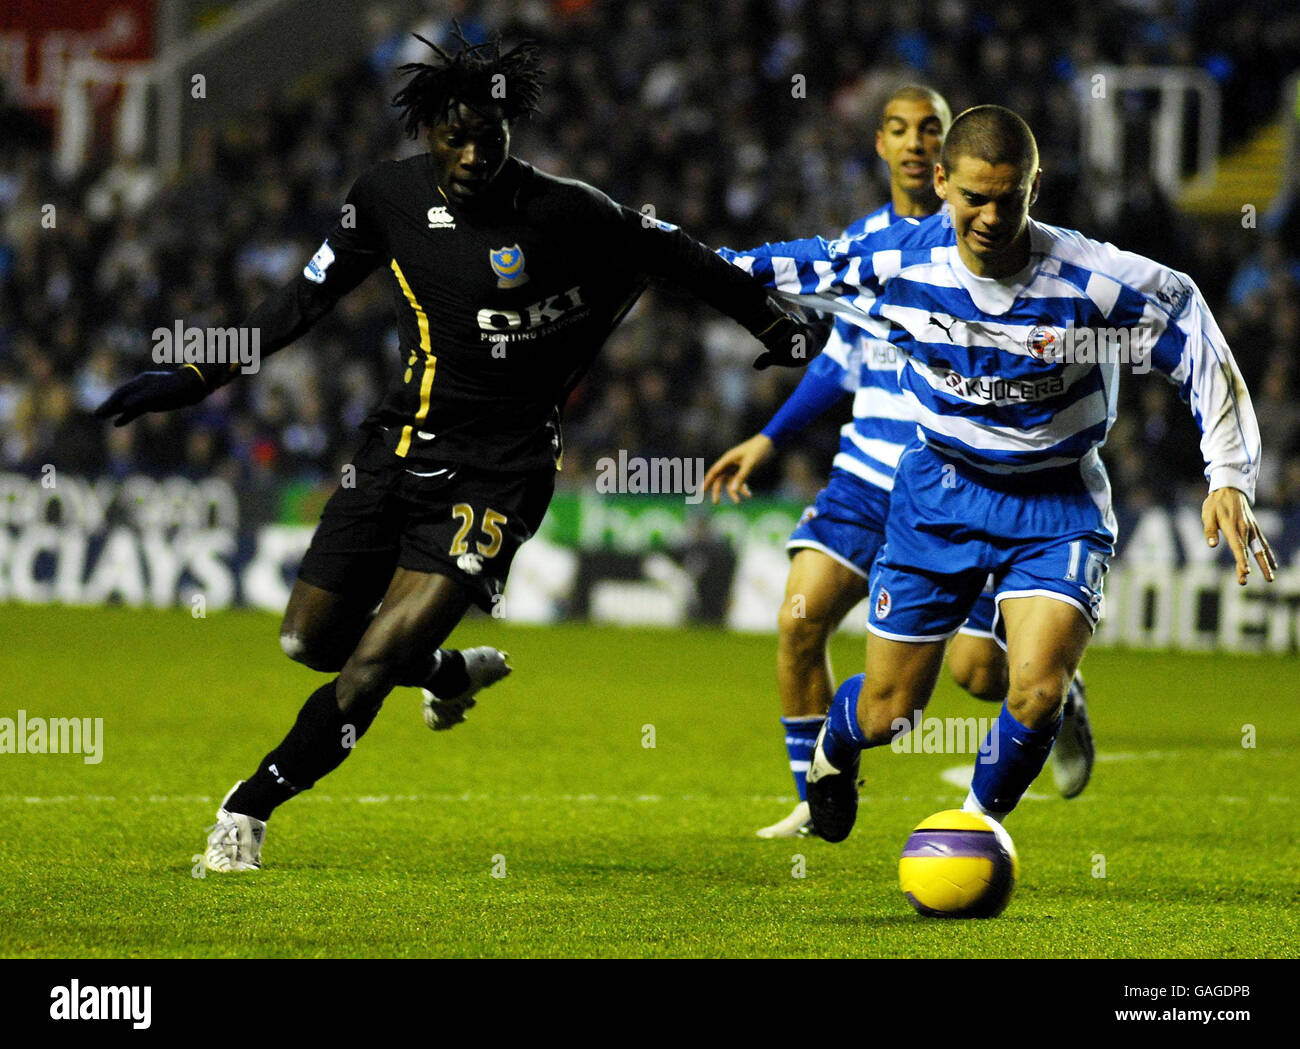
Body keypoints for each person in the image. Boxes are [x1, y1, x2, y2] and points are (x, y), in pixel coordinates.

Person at [95, 31, 815, 871]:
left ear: (512, 130)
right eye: (455, 137)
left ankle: (247, 809)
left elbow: (679, 252)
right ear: (427, 132)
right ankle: (441, 672)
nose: (474, 154)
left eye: (490, 136)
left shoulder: (568, 210)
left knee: (367, 669)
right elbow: (300, 301)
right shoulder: (386, 200)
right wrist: (193, 374)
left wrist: (772, 324)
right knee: (310, 644)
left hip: (499, 473)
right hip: (397, 448)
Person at [717, 105, 1276, 844]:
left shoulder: (1095, 281)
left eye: (1006, 199)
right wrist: (645, 248)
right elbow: (763, 267)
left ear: (1033, 188)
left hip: (1058, 502)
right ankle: (834, 748)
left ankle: (973, 828)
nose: (987, 216)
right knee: (891, 710)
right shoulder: (894, 265)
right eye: (973, 197)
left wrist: (1228, 474)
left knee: (1036, 685)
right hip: (939, 495)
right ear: (942, 181)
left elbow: (1195, 330)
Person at [703, 88, 1093, 839]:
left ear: (949, 159)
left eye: (930, 132)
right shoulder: (866, 248)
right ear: (881, 147)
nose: (915, 145)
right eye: (899, 131)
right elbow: (837, 361)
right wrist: (770, 438)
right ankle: (817, 797)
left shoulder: (1006, 248)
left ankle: (1060, 691)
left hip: (966, 482)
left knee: (981, 674)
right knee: (799, 620)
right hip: (868, 474)